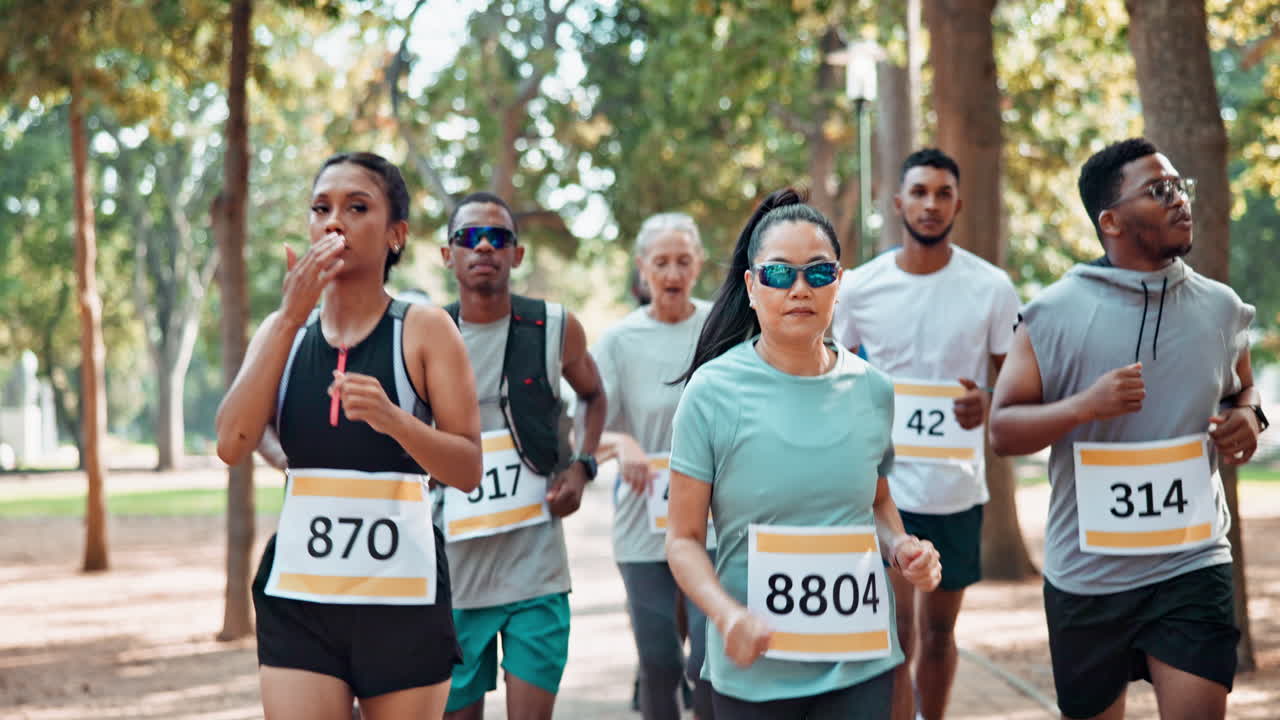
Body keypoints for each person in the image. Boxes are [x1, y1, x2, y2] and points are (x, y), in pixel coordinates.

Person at [989, 137, 1266, 720]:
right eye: (1159, 190)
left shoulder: (1220, 307)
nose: (1179, 201)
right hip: (1087, 576)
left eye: (1179, 186)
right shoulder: (1054, 312)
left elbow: (1244, 388)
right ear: (1110, 221)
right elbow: (1003, 430)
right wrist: (1082, 406)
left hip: (1191, 564)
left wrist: (1248, 416)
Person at [215, 152, 483, 720]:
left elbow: (466, 469)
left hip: (402, 597)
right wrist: (290, 317)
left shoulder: (425, 328)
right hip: (301, 597)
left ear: (395, 235)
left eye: (357, 207)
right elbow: (232, 442)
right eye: (321, 208)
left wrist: (395, 420)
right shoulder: (282, 329)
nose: (334, 222)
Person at [666, 188, 942, 719]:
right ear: (751, 287)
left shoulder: (874, 389)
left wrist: (902, 546)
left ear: (838, 283)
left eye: (817, 273)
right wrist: (726, 617)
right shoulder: (711, 392)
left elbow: (876, 503)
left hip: (860, 659)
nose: (799, 288)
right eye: (778, 274)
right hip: (754, 668)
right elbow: (681, 539)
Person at [830, 148, 1020, 720]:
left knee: (938, 634)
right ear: (897, 203)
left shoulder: (991, 287)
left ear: (958, 203)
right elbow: (830, 370)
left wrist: (985, 402)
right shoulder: (859, 287)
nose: (930, 204)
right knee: (894, 637)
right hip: (881, 486)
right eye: (919, 192)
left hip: (954, 488)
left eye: (942, 193)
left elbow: (1014, 383)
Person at [437, 191, 606, 720]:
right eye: (469, 237)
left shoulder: (554, 327)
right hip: (455, 577)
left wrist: (582, 467)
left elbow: (595, 396)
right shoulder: (427, 335)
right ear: (448, 255)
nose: (484, 246)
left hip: (537, 573)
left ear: (518, 254)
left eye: (498, 237)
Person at [592, 212, 716, 719]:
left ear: (699, 265)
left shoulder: (721, 327)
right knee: (661, 660)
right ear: (642, 268)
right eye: (660, 262)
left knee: (711, 660)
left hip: (714, 521)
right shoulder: (618, 342)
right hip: (644, 526)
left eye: (682, 262)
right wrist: (621, 443)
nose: (671, 273)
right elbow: (581, 433)